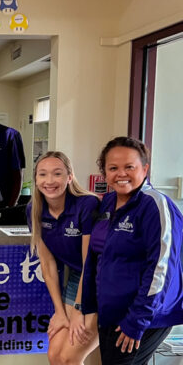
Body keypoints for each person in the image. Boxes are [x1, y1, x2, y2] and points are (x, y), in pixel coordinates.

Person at [82, 137, 183, 365]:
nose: (121, 174)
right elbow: (97, 256)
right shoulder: (108, 202)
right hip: (111, 311)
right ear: (104, 172)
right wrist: (89, 306)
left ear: (144, 169)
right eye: (113, 168)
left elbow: (161, 268)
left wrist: (137, 320)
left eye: (130, 167)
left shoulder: (155, 205)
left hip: (143, 316)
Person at [27, 151, 100, 365]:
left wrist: (79, 309)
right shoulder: (34, 210)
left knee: (69, 357)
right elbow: (48, 266)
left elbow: (90, 263)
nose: (49, 181)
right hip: (77, 278)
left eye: (57, 174)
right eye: (43, 174)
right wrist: (60, 312)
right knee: (55, 355)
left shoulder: (87, 204)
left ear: (69, 177)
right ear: (36, 179)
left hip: (98, 280)